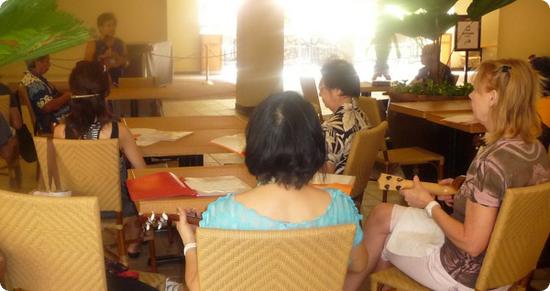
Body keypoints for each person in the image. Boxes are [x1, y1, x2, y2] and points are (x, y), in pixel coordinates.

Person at [345, 59, 550, 291]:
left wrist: (429, 205)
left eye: (475, 90)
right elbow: (500, 199)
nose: (471, 96)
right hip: (506, 268)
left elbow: (471, 244)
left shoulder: (491, 162)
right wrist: (463, 189)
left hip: (464, 274)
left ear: (493, 98)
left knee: (386, 238)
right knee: (383, 214)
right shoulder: (535, 150)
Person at [176, 91, 368, 291]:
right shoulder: (341, 206)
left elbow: (199, 286)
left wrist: (190, 242)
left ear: (255, 144)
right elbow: (360, 265)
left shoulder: (224, 213)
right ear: (314, 145)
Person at [53, 60, 145, 256]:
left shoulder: (60, 132)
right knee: (136, 195)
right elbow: (142, 171)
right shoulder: (118, 131)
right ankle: (132, 242)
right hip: (117, 209)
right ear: (106, 92)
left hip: (78, 206)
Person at [319, 59, 369, 174]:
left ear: (338, 90)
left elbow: (324, 176)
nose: (320, 94)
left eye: (322, 88)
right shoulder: (361, 115)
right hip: (354, 185)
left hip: (335, 189)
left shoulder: (331, 129)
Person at [20, 55, 70, 134]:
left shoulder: (36, 78)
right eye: (46, 62)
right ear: (36, 62)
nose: (49, 65)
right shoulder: (33, 83)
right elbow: (47, 106)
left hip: (53, 119)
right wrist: (67, 96)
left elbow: (54, 93)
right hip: (49, 124)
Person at [84, 12, 127, 86]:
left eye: (114, 25)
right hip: (98, 82)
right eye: (108, 25)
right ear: (100, 27)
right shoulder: (92, 44)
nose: (112, 28)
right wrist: (101, 59)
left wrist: (117, 57)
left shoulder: (121, 43)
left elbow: (126, 63)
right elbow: (85, 66)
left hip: (119, 81)